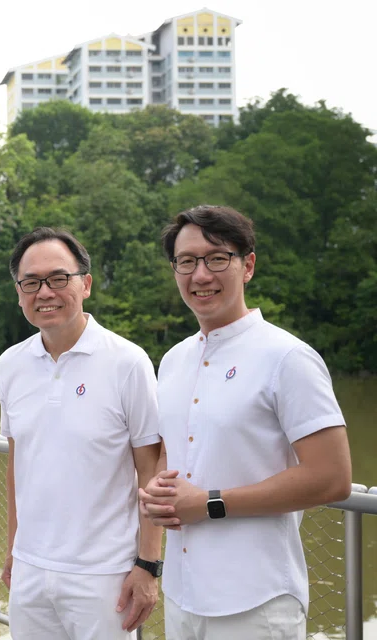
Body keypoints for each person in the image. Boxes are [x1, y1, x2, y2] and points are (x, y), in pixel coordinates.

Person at [140, 205, 352, 639]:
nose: (200, 275)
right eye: (186, 261)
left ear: (247, 265)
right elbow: (175, 454)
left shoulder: (287, 358)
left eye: (217, 258)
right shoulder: (174, 360)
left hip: (256, 601)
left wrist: (209, 503)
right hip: (182, 596)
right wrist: (158, 491)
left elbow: (333, 478)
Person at [0, 227, 163, 639]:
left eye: (58, 278)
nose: (45, 292)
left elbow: (152, 468)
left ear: (85, 284)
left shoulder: (128, 362)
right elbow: (19, 463)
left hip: (104, 574)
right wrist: (14, 548)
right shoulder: (11, 364)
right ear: (19, 293)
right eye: (31, 282)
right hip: (30, 568)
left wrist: (148, 564)